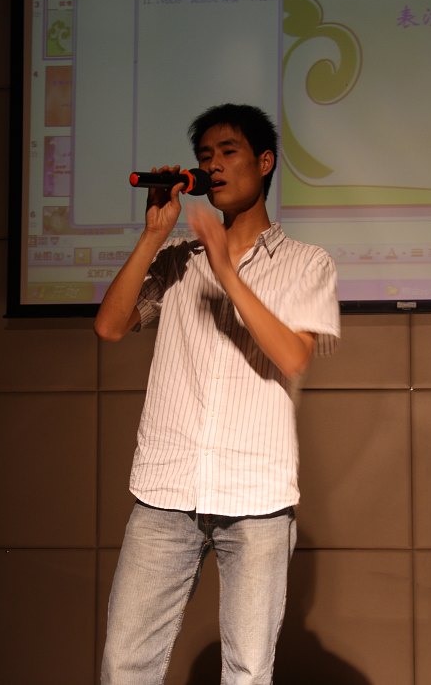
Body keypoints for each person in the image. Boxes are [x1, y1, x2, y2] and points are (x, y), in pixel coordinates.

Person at [95, 103, 340, 685]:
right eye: (205, 156)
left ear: (265, 162)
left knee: (248, 672)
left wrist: (227, 270)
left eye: (228, 152)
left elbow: (293, 356)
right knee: (124, 664)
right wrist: (154, 234)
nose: (214, 166)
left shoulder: (307, 262)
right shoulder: (179, 260)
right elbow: (109, 326)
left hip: (256, 498)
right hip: (165, 490)